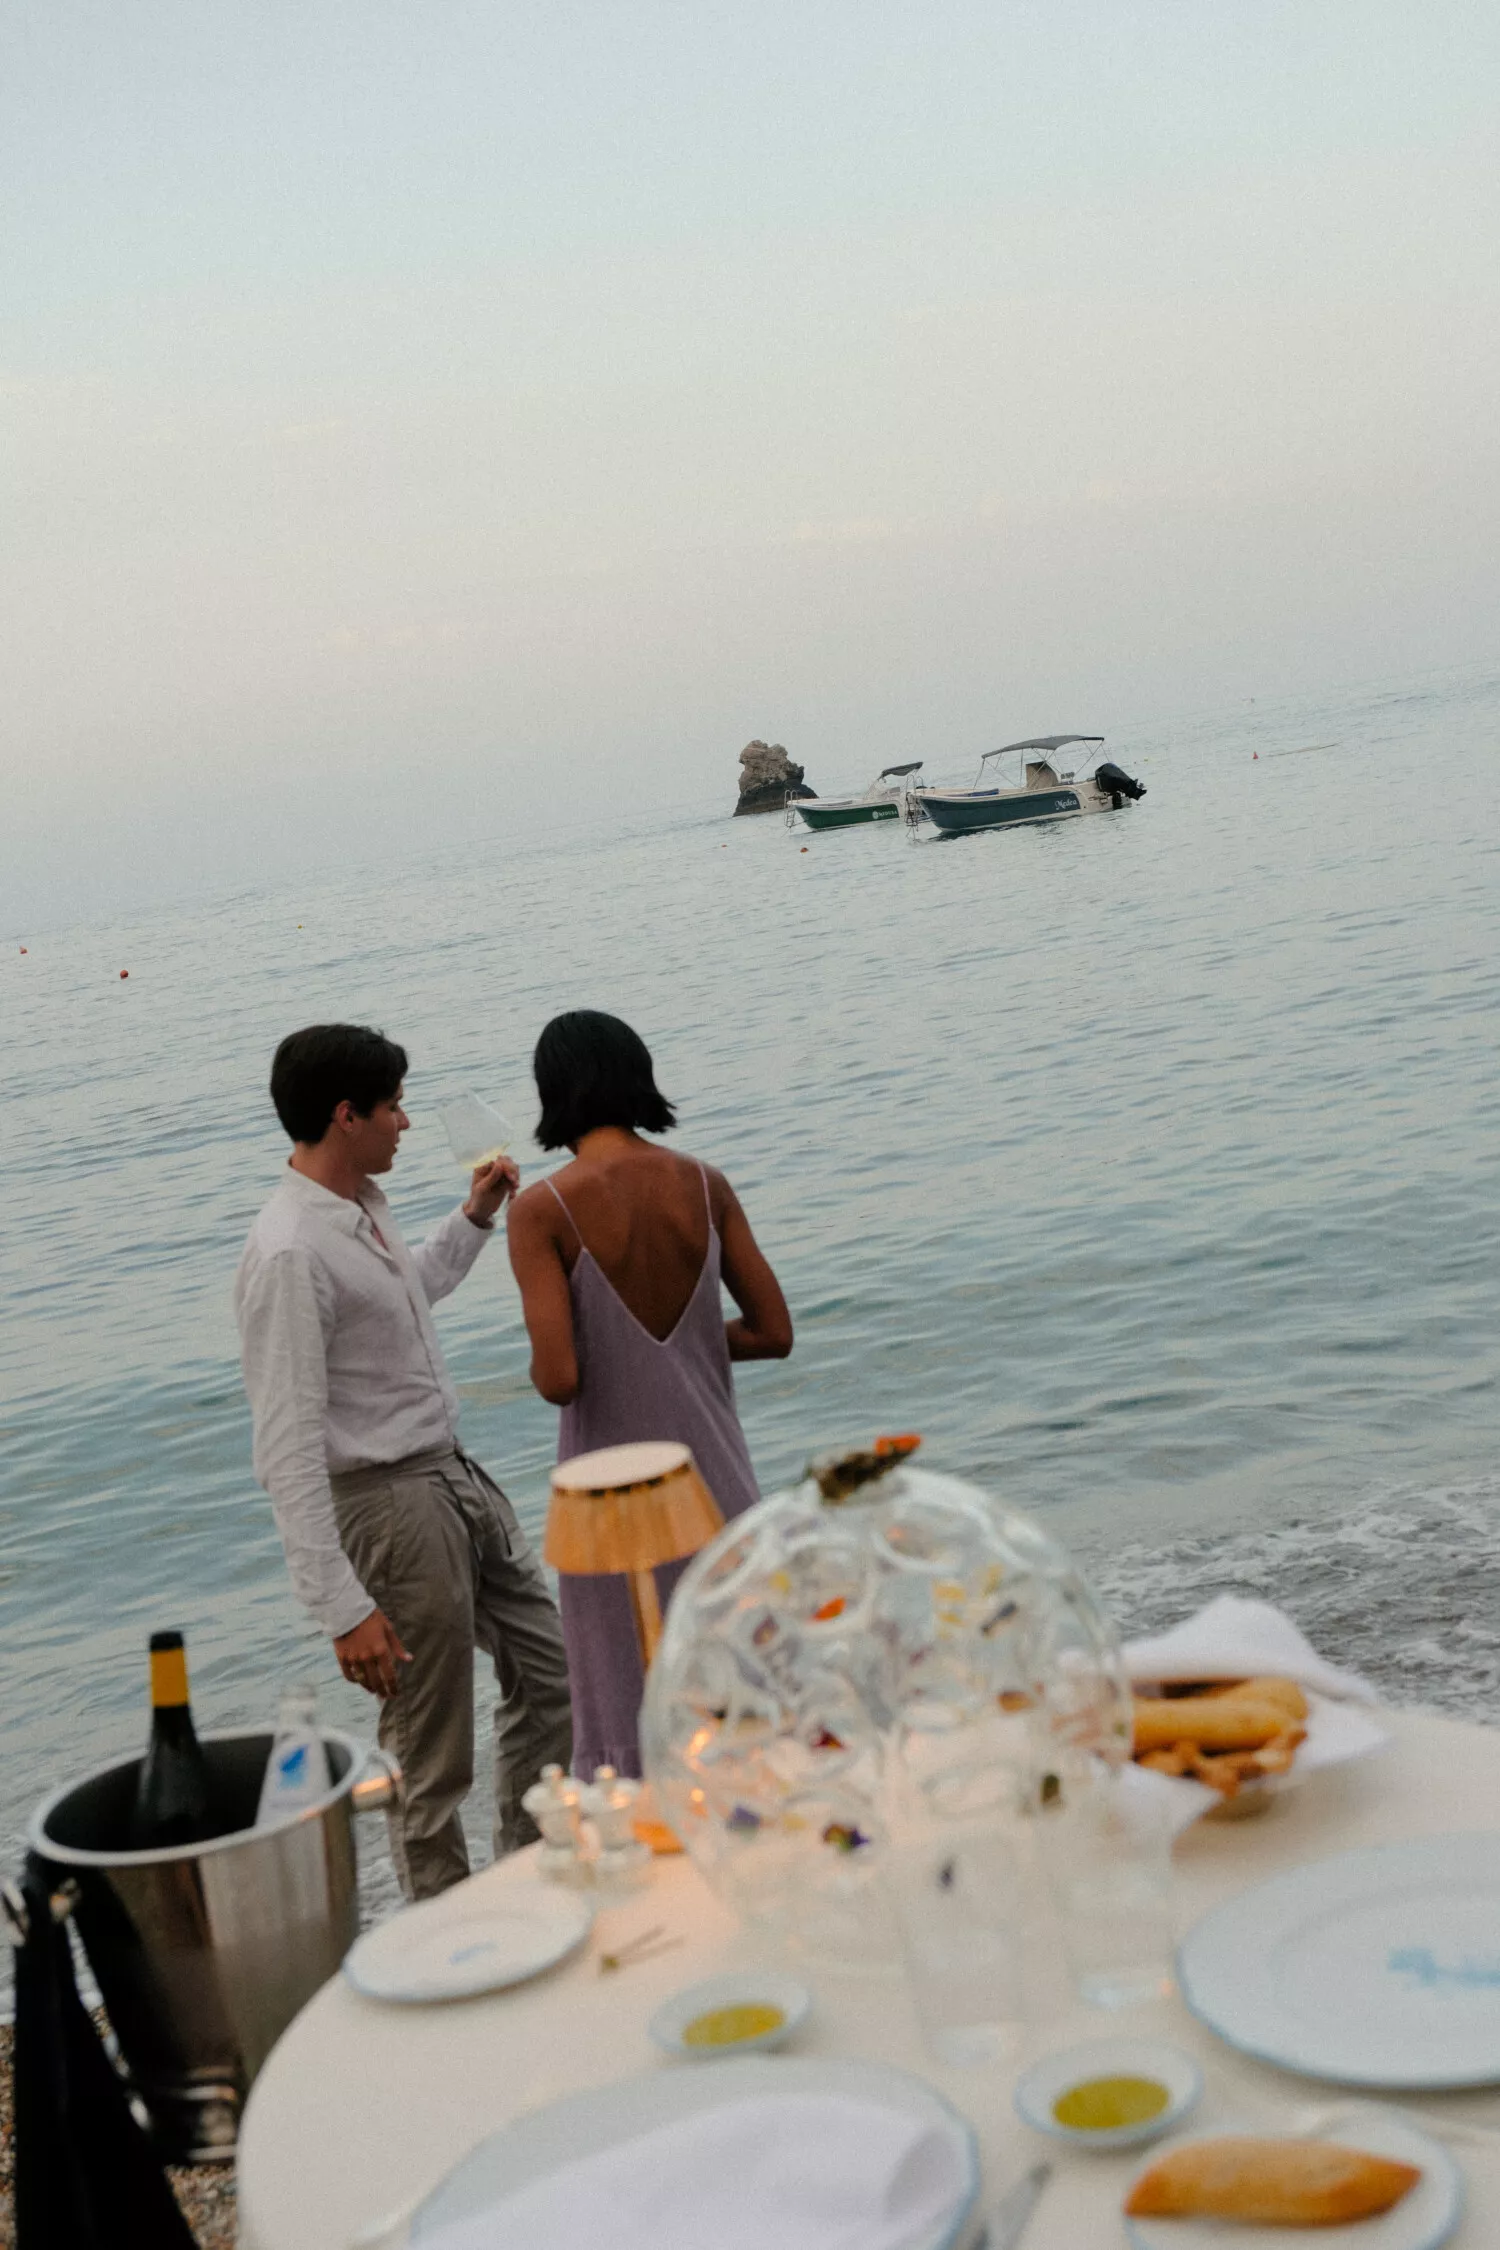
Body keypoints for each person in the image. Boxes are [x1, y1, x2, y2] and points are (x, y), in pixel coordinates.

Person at [234, 1024, 572, 1898]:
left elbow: (403, 1299)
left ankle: (528, 1879)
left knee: (554, 1675)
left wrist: (474, 1219)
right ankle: (446, 1935)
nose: (406, 1124)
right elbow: (286, 1448)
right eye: (392, 1108)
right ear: (347, 1117)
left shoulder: (360, 1210)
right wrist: (342, 1607)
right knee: (430, 1752)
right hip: (386, 1502)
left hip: (450, 1472)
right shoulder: (288, 1251)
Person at [507, 1010, 792, 1777]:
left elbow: (559, 1377)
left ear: (553, 1094)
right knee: (743, 1692)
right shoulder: (703, 1183)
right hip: (715, 1481)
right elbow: (773, 1332)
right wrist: (689, 1341)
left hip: (613, 1501)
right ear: (638, 1075)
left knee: (631, 1702)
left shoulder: (541, 1210)